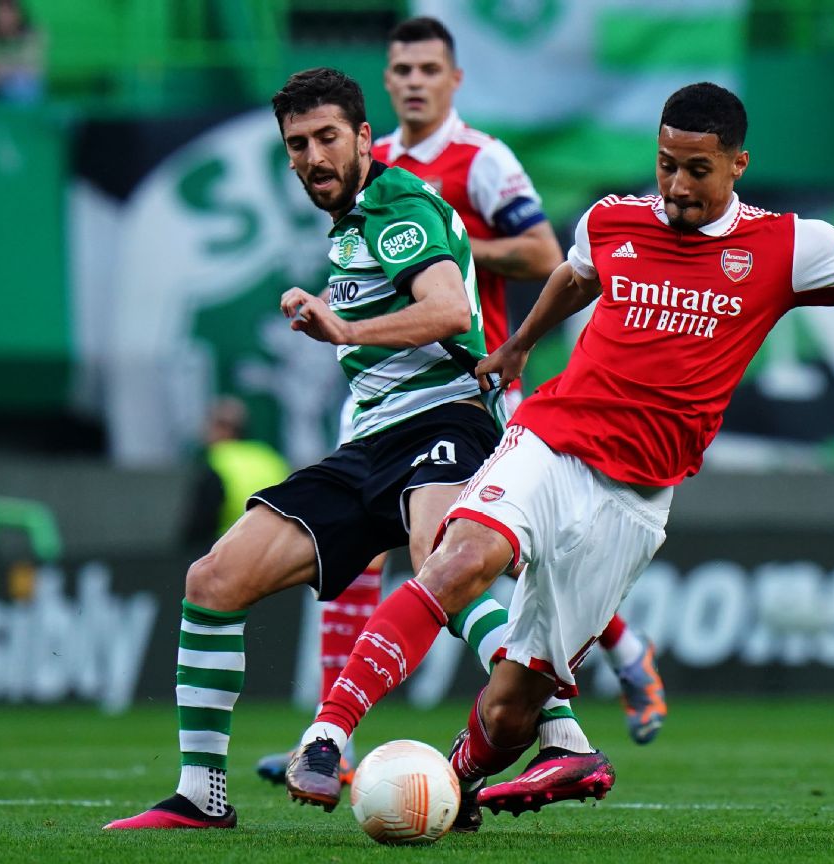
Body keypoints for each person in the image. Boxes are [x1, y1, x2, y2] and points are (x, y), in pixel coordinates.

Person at [282, 83, 834, 823]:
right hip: (551, 437)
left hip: (635, 498)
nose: (677, 186)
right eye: (665, 165)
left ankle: (459, 783)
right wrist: (518, 349)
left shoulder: (789, 247)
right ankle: (328, 734)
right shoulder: (613, 218)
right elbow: (574, 276)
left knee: (510, 709)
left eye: (697, 170)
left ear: (737, 165)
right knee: (461, 553)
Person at [253, 15, 667, 797]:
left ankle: (616, 651)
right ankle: (333, 733)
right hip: (378, 385)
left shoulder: (480, 160)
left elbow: (546, 255)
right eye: (400, 67)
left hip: (467, 379)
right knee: (370, 561)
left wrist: (438, 246)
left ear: (453, 80)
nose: (413, 80)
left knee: (471, 553)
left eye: (427, 68)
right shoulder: (362, 164)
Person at [105, 66, 527, 831]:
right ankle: (203, 795)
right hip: (370, 443)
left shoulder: (397, 202)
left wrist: (344, 326)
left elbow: (447, 306)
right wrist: (330, 307)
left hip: (445, 421)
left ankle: (557, 724)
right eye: (296, 145)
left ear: (364, 138)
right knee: (214, 577)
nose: (311, 157)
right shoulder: (352, 224)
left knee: (443, 560)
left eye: (327, 138)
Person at [182, 396, 291, 552]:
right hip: (276, 549)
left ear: (223, 428)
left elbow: (199, 525)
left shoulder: (217, 461)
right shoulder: (270, 457)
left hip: (229, 550)